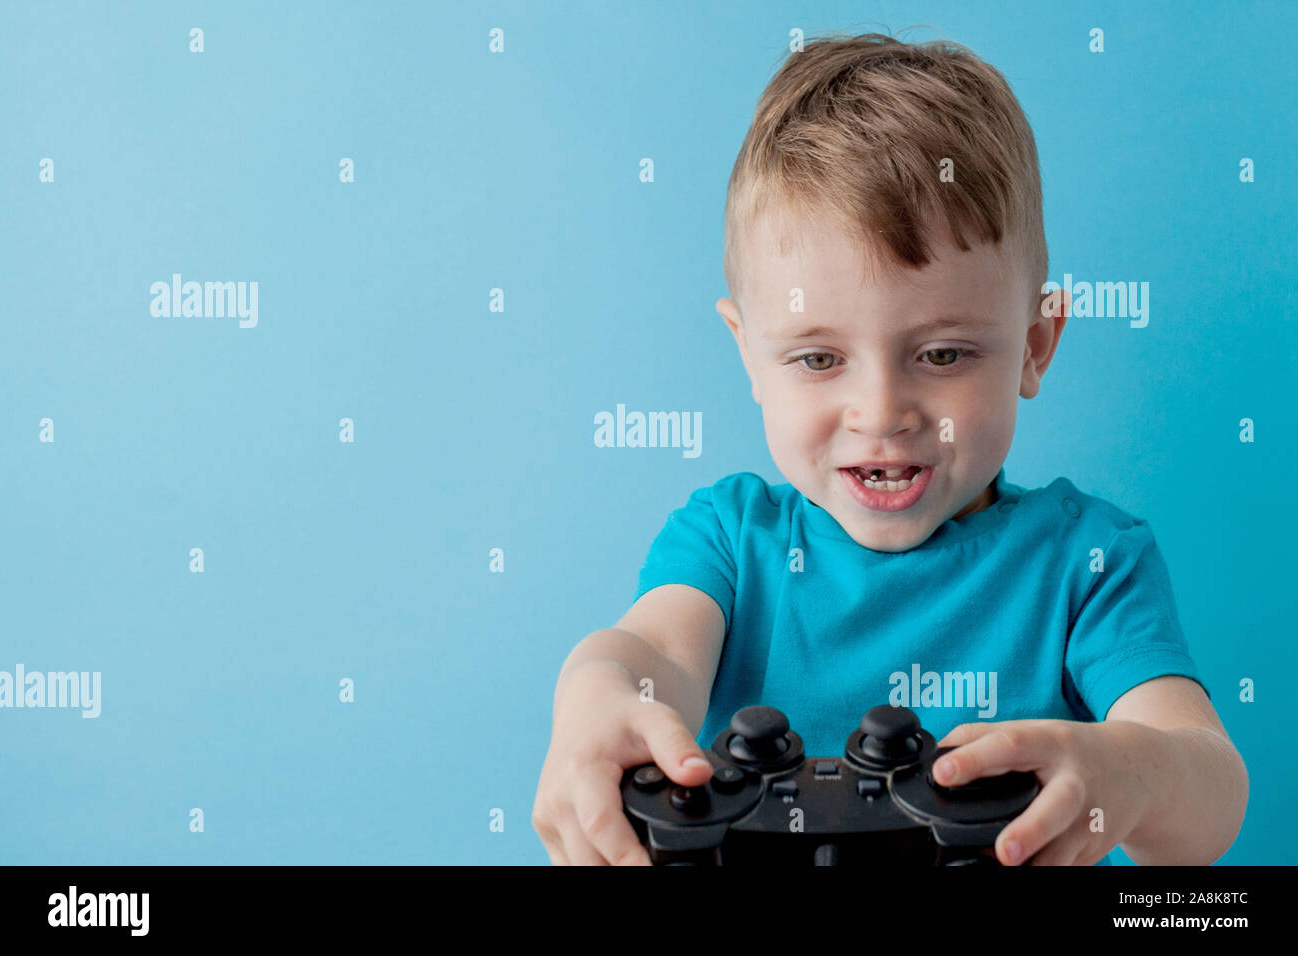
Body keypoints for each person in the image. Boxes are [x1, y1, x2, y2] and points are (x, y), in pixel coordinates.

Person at [532, 32, 1247, 866]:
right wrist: (594, 693)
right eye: (818, 358)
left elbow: (1209, 792)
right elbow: (650, 652)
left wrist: (1137, 770)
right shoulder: (730, 544)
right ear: (749, 357)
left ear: (1034, 347)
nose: (880, 412)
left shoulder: (1090, 565)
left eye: (942, 354)